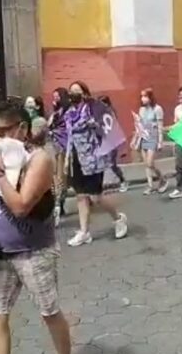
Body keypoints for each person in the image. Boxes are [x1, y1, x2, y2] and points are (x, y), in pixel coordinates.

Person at [0, 100, 71, 354]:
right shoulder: (0, 157)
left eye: (6, 131)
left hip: (34, 251)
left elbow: (21, 206)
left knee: (49, 313)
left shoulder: (38, 159)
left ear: (23, 128)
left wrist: (0, 174)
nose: (1, 138)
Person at [64, 81, 128, 247]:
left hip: (93, 158)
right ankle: (84, 232)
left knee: (95, 196)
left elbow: (105, 129)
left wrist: (95, 125)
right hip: (76, 158)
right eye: (71, 92)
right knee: (80, 195)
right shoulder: (69, 113)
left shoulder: (93, 110)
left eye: (77, 91)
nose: (73, 95)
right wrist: (66, 159)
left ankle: (118, 218)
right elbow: (69, 137)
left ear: (85, 93)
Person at [132, 89, 168, 195]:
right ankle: (150, 185)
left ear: (150, 97)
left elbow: (160, 126)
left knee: (150, 162)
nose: (143, 99)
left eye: (145, 96)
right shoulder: (141, 109)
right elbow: (139, 126)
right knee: (146, 165)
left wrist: (160, 141)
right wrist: (135, 139)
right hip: (144, 135)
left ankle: (162, 179)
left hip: (153, 135)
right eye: (141, 96)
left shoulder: (157, 109)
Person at [47, 88, 70, 224]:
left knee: (61, 176)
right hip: (55, 146)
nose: (54, 99)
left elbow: (66, 129)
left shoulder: (67, 112)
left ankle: (59, 202)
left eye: (56, 97)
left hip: (64, 146)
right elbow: (49, 125)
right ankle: (59, 203)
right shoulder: (56, 112)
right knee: (55, 176)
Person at [98, 95, 128, 193]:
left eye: (102, 103)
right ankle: (99, 187)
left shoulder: (110, 113)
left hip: (111, 142)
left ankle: (123, 181)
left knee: (111, 164)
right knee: (100, 165)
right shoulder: (98, 113)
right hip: (103, 142)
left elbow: (113, 128)